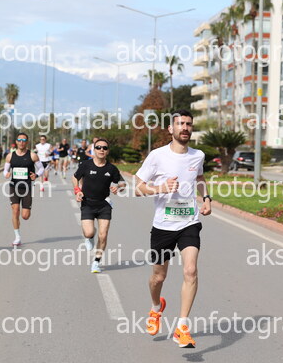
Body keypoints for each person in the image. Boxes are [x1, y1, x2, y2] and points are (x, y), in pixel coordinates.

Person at [134, 109, 212, 348]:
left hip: (189, 222)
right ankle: (156, 307)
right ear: (171, 128)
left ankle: (182, 327)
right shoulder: (157, 156)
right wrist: (160, 188)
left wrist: (206, 198)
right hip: (163, 226)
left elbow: (199, 178)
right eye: (180, 124)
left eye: (188, 124)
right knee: (159, 277)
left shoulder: (198, 155)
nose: (185, 128)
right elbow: (138, 188)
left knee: (190, 271)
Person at [72, 138, 126, 273]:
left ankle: (96, 262)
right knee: (89, 232)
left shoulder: (111, 168)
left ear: (108, 151)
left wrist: (118, 187)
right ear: (94, 150)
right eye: (98, 147)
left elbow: (122, 183)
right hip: (87, 203)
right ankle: (90, 237)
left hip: (104, 205)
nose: (101, 150)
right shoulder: (85, 165)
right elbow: (75, 177)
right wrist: (77, 191)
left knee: (103, 235)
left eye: (105, 148)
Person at [4, 132, 44, 246]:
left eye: (24, 140)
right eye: (19, 140)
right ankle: (17, 237)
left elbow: (41, 168)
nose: (21, 142)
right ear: (16, 142)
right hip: (14, 186)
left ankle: (20, 224)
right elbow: (5, 170)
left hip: (27, 187)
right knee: (15, 210)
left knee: (25, 216)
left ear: (27, 142)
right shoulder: (10, 156)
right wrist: (6, 174)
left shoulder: (32, 155)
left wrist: (36, 175)